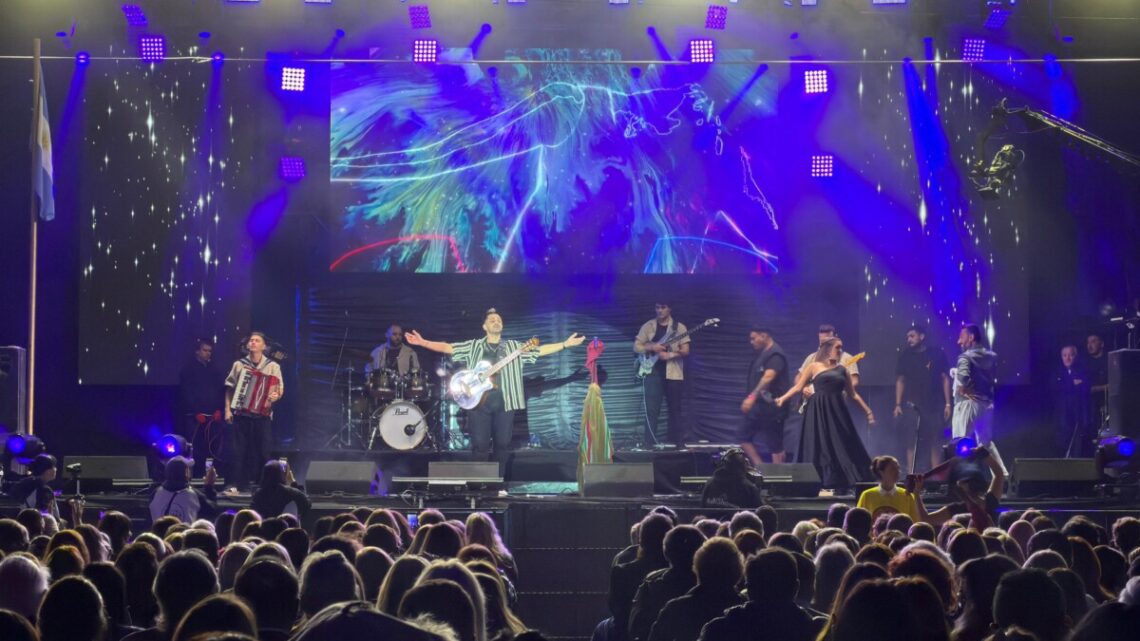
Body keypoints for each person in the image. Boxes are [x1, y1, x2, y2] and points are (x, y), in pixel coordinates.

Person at [405, 308, 584, 470]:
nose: (496, 322)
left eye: (499, 320)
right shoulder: (474, 346)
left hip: (506, 402)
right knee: (480, 445)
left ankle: (497, 484)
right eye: (492, 320)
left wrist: (564, 344)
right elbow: (448, 347)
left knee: (502, 445)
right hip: (477, 402)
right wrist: (423, 342)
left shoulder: (514, 347)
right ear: (484, 326)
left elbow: (539, 351)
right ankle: (478, 486)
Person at [777, 337, 875, 493]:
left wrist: (868, 411)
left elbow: (853, 394)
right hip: (817, 410)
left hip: (836, 410)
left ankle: (841, 481)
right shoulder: (814, 366)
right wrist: (782, 398)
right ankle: (814, 481)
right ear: (828, 349)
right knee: (817, 442)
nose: (840, 350)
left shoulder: (842, 369)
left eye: (841, 347)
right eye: (838, 347)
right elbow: (798, 387)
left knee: (841, 442)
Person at [224, 332, 284, 491]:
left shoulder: (272, 366)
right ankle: (236, 484)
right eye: (251, 340)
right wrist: (227, 410)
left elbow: (279, 389)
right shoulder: (239, 364)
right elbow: (229, 388)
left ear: (264, 346)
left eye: (257, 341)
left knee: (263, 451)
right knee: (238, 451)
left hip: (262, 415)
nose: (253, 343)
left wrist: (274, 395)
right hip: (242, 414)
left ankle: (264, 485)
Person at [893, 325, 951, 471]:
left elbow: (945, 378)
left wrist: (948, 404)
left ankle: (936, 475)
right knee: (911, 440)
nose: (909, 340)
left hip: (934, 404)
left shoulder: (936, 354)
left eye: (912, 336)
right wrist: (898, 404)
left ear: (922, 336)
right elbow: (900, 380)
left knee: (935, 440)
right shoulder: (905, 356)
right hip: (912, 405)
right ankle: (910, 475)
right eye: (907, 337)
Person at [952, 324, 1007, 475]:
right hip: (985, 404)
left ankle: (961, 478)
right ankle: (1002, 476)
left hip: (967, 404)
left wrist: (962, 384)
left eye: (961, 337)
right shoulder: (991, 356)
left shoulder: (965, 357)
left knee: (960, 441)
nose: (959, 342)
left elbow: (963, 377)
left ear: (971, 337)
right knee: (986, 443)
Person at [634, 302, 690, 446]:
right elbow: (636, 346)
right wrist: (653, 346)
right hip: (652, 372)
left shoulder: (679, 327)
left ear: (669, 308)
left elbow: (686, 350)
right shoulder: (648, 326)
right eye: (657, 307)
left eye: (663, 307)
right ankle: (649, 443)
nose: (659, 310)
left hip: (673, 373)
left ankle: (678, 443)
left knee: (675, 409)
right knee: (652, 410)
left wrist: (670, 355)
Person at [739, 327, 791, 464]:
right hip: (759, 407)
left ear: (764, 336)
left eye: (754, 338)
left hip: (773, 407)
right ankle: (761, 468)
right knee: (743, 437)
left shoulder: (775, 355)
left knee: (775, 445)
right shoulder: (761, 354)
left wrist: (751, 398)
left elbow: (768, 377)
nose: (751, 342)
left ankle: (778, 479)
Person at [178, 339, 227, 477]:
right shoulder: (188, 370)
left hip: (213, 416)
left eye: (210, 351)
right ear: (197, 351)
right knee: (195, 448)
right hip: (195, 417)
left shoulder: (215, 370)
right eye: (205, 350)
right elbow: (186, 393)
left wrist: (219, 409)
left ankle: (211, 476)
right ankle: (195, 476)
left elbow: (220, 391)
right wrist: (195, 412)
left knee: (213, 448)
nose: (207, 353)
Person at [148, 456, 217, 524]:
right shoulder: (193, 495)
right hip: (185, 535)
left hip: (160, 534)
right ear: (186, 473)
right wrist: (209, 485)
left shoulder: (155, 494)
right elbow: (212, 511)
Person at [1052, 344, 1092, 457]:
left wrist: (1069, 384)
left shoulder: (1082, 371)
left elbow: (1085, 386)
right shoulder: (1057, 372)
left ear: (1076, 356)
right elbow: (1056, 387)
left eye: (1071, 355)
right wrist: (1072, 383)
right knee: (1063, 439)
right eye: (1065, 355)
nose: (1067, 358)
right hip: (1062, 414)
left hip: (1078, 412)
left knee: (1078, 441)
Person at [857, 456, 924, 521]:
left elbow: (915, 524)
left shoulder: (907, 496)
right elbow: (859, 521)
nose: (898, 472)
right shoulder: (867, 496)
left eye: (898, 468)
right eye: (893, 469)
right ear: (881, 472)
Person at [7, 453, 60, 520]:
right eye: (54, 467)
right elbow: (45, 517)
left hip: (21, 522)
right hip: (36, 526)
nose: (56, 469)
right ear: (47, 470)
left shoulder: (23, 483)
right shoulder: (45, 490)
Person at [1086, 334, 1109, 430]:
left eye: (1093, 341)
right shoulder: (1085, 364)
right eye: (1088, 342)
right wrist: (1104, 387)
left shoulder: (1110, 359)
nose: (1090, 345)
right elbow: (1087, 388)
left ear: (1101, 344)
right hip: (1092, 407)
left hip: (1109, 404)